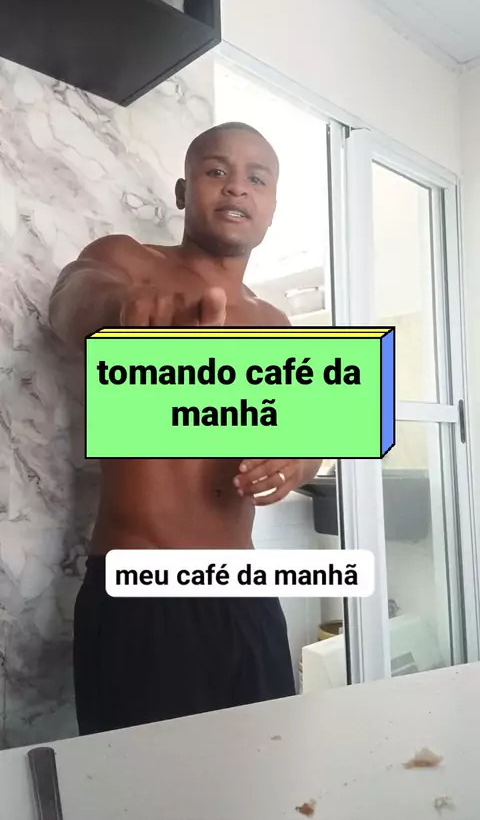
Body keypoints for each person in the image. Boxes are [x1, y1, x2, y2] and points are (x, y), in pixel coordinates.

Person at [49, 122, 322, 735]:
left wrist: (294, 463)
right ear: (182, 190)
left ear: (271, 207)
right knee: (142, 782)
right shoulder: (127, 263)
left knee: (263, 765)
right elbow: (68, 302)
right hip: (140, 591)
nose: (237, 187)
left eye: (257, 178)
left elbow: (306, 442)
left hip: (244, 592)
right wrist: (120, 314)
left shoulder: (275, 325)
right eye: (216, 170)